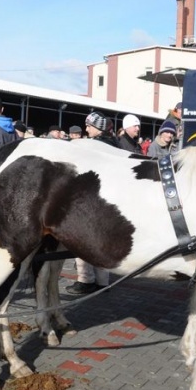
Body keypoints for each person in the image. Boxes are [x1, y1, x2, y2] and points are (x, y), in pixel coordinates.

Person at [67, 111, 116, 295]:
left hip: (91, 200)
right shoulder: (114, 146)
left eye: (89, 125)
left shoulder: (92, 147)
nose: (86, 128)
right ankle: (103, 283)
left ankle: (85, 280)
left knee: (82, 240)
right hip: (108, 202)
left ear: (99, 128)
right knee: (102, 243)